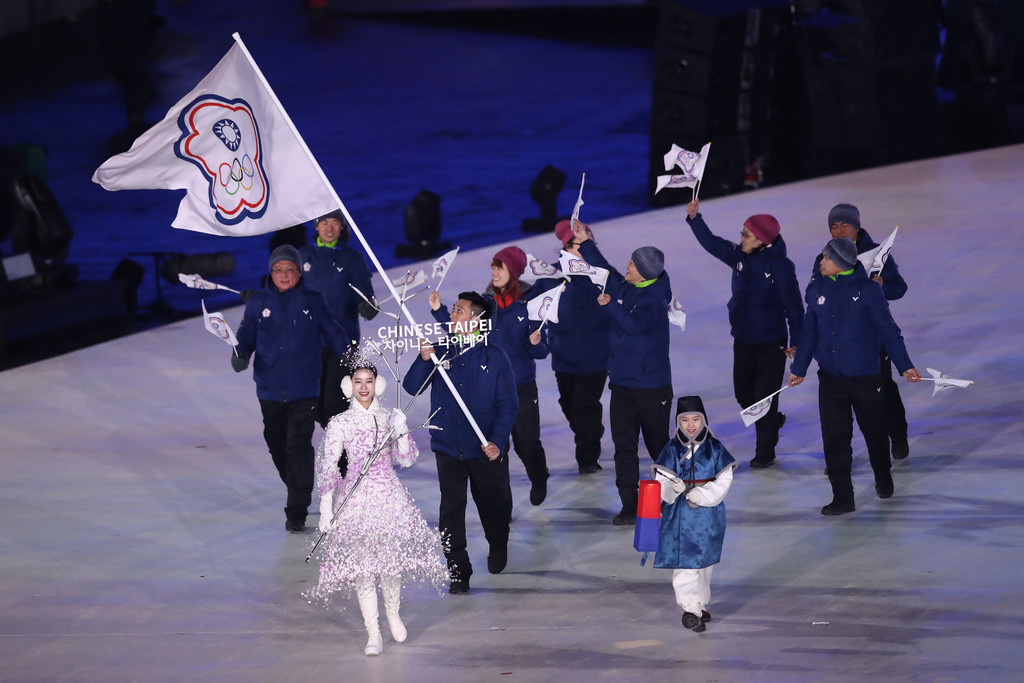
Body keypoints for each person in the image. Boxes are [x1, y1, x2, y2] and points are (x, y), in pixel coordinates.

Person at [305, 362, 448, 657]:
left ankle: (394, 613)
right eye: (357, 381)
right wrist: (326, 504)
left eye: (368, 381)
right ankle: (373, 632)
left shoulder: (387, 418)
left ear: (377, 385)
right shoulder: (341, 423)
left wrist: (403, 430)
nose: (363, 387)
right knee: (363, 569)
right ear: (349, 385)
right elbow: (329, 464)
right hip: (355, 500)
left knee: (388, 563)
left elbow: (405, 460)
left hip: (388, 496)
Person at [788, 238, 922, 516]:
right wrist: (798, 369)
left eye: (825, 257)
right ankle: (842, 497)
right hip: (831, 380)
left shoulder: (869, 291)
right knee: (834, 438)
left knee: (874, 432)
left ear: (840, 263)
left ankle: (883, 477)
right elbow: (809, 331)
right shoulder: (815, 290)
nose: (820, 262)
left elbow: (888, 331)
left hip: (865, 378)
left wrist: (904, 365)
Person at [402, 292, 519, 593]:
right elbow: (412, 386)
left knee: (494, 506)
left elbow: (508, 405)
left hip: (485, 450)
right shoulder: (440, 351)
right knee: (451, 510)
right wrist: (423, 358)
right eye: (452, 310)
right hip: (448, 448)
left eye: (458, 311)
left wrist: (497, 441)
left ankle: (498, 543)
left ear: (477, 320)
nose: (451, 316)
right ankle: (458, 570)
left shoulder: (496, 357)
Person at [232, 245, 353, 533]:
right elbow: (245, 336)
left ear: (299, 272)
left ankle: (296, 509)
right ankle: (298, 486)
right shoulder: (257, 302)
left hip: (304, 388)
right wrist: (240, 354)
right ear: (270, 273)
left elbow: (334, 332)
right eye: (278, 269)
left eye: (290, 269)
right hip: (269, 388)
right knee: (276, 443)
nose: (284, 275)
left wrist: (353, 360)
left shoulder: (313, 300)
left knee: (298, 444)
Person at [684, 200, 803, 469]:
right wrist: (695, 218)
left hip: (772, 341)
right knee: (743, 394)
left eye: (747, 235)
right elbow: (713, 243)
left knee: (764, 396)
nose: (741, 238)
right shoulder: (739, 256)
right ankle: (771, 420)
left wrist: (796, 344)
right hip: (744, 338)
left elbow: (795, 308)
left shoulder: (781, 267)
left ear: (762, 239)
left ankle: (765, 452)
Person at [430, 247, 549, 505]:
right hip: (489, 391)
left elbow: (542, 351)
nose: (494, 272)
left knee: (526, 445)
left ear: (514, 272)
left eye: (500, 267)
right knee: (497, 450)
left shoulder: (530, 303)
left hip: (522, 389)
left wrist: (534, 343)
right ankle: (502, 508)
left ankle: (539, 477)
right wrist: (440, 311)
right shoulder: (485, 303)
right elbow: (460, 327)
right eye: (493, 267)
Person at [573, 220, 673, 526]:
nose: (626, 264)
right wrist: (586, 242)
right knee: (624, 448)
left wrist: (609, 306)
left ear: (644, 271)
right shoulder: (631, 285)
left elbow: (634, 327)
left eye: (632, 262)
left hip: (651, 388)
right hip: (622, 386)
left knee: (659, 447)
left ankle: (671, 499)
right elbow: (605, 272)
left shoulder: (655, 300)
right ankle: (630, 505)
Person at [816, 203, 911, 460]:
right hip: (839, 343)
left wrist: (880, 286)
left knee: (883, 390)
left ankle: (897, 434)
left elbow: (899, 288)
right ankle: (839, 459)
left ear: (856, 227)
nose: (838, 231)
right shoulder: (825, 257)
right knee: (840, 401)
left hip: (872, 339)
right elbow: (813, 294)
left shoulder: (877, 254)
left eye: (843, 225)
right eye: (833, 227)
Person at [652, 396, 737, 633]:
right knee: (686, 562)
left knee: (705, 563)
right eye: (685, 420)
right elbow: (661, 481)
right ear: (678, 422)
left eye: (696, 419)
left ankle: (699, 603)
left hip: (709, 516)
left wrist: (703, 494)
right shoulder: (670, 449)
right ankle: (689, 608)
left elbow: (724, 480)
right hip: (680, 516)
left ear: (704, 420)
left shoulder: (715, 448)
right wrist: (673, 487)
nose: (691, 425)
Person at [536, 220, 610, 475]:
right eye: (573, 244)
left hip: (596, 356)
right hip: (564, 355)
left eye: (583, 242)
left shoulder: (602, 271)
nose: (578, 248)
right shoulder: (553, 275)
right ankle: (591, 430)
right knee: (570, 406)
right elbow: (534, 302)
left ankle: (588, 458)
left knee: (583, 407)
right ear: (565, 247)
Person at [298, 210, 377, 429]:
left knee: (335, 404)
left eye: (335, 223)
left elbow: (365, 294)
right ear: (316, 226)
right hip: (309, 342)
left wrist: (366, 306)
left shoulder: (352, 259)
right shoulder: (302, 256)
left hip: (342, 341)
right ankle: (337, 444)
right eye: (324, 222)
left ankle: (343, 457)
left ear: (342, 227)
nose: (330, 228)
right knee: (315, 404)